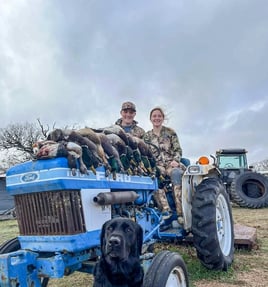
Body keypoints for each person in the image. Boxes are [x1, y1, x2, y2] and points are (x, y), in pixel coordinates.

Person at [143, 107, 185, 224]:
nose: (157, 118)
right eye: (154, 116)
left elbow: (178, 150)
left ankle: (181, 213)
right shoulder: (146, 137)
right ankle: (166, 211)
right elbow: (145, 154)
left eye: (159, 116)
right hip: (158, 166)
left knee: (176, 173)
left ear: (163, 118)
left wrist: (176, 160)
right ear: (151, 119)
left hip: (171, 163)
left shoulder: (170, 133)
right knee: (153, 176)